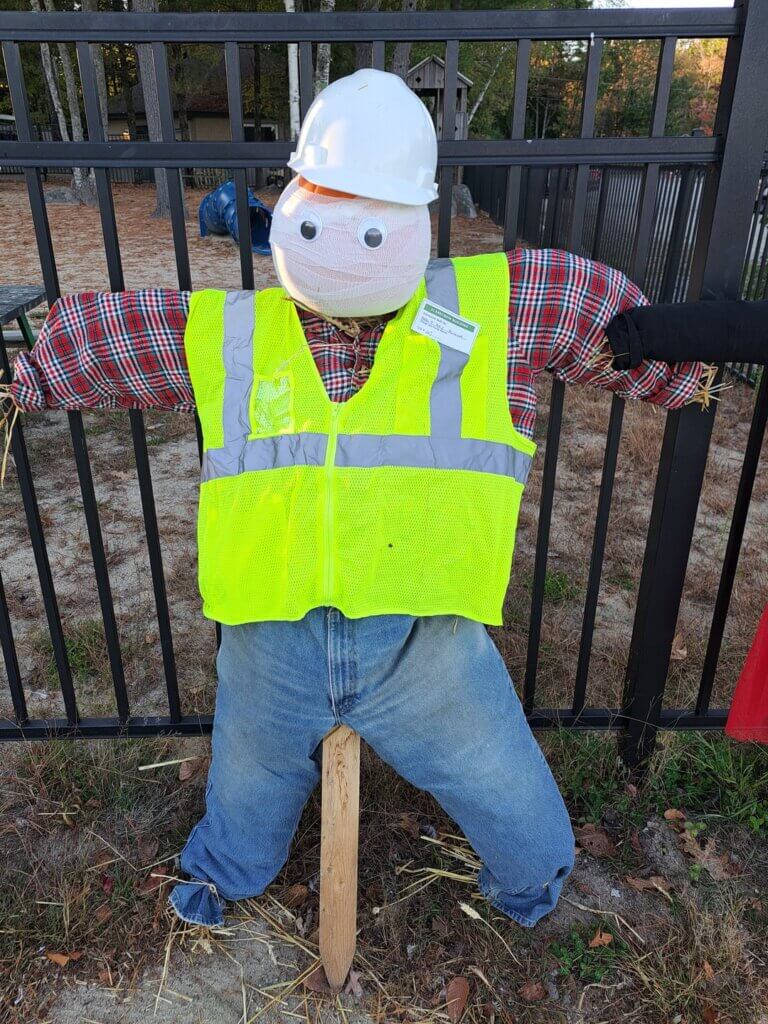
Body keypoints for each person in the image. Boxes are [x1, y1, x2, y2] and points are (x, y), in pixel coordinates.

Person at [10, 70, 711, 930]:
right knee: (247, 783)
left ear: (417, 218)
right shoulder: (235, 331)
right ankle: (223, 876)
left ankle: (532, 884)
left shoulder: (493, 311)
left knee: (504, 789)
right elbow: (113, 336)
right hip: (272, 637)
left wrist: (687, 357)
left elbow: (595, 312)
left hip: (427, 641)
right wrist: (27, 374)